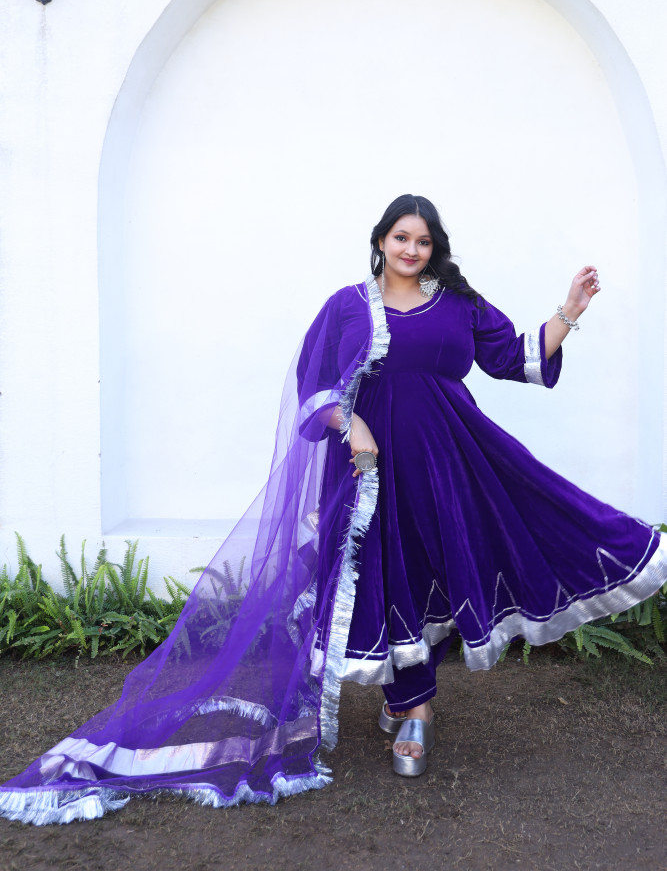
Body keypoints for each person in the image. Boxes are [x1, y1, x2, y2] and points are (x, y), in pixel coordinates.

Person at [1, 195, 665, 823]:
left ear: (435, 249)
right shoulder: (346, 308)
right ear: (379, 241)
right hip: (368, 471)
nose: (411, 248)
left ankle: (409, 699)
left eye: (423, 240)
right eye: (400, 237)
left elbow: (512, 356)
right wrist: (351, 427)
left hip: (451, 459)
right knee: (391, 575)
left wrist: (568, 311)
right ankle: (413, 710)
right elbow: (312, 386)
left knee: (456, 562)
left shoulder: (456, 302)